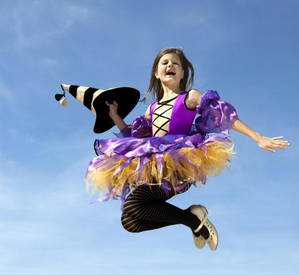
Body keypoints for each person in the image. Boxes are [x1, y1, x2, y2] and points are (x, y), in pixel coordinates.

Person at [86, 47, 290, 250]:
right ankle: (193, 220)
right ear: (156, 73)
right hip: (154, 168)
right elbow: (134, 138)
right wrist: (114, 116)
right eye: (164, 63)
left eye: (176, 63)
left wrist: (257, 137)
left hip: (178, 164)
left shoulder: (189, 97)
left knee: (133, 205)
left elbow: (222, 114)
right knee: (130, 222)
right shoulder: (152, 108)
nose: (170, 65)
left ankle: (193, 218)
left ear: (182, 73)